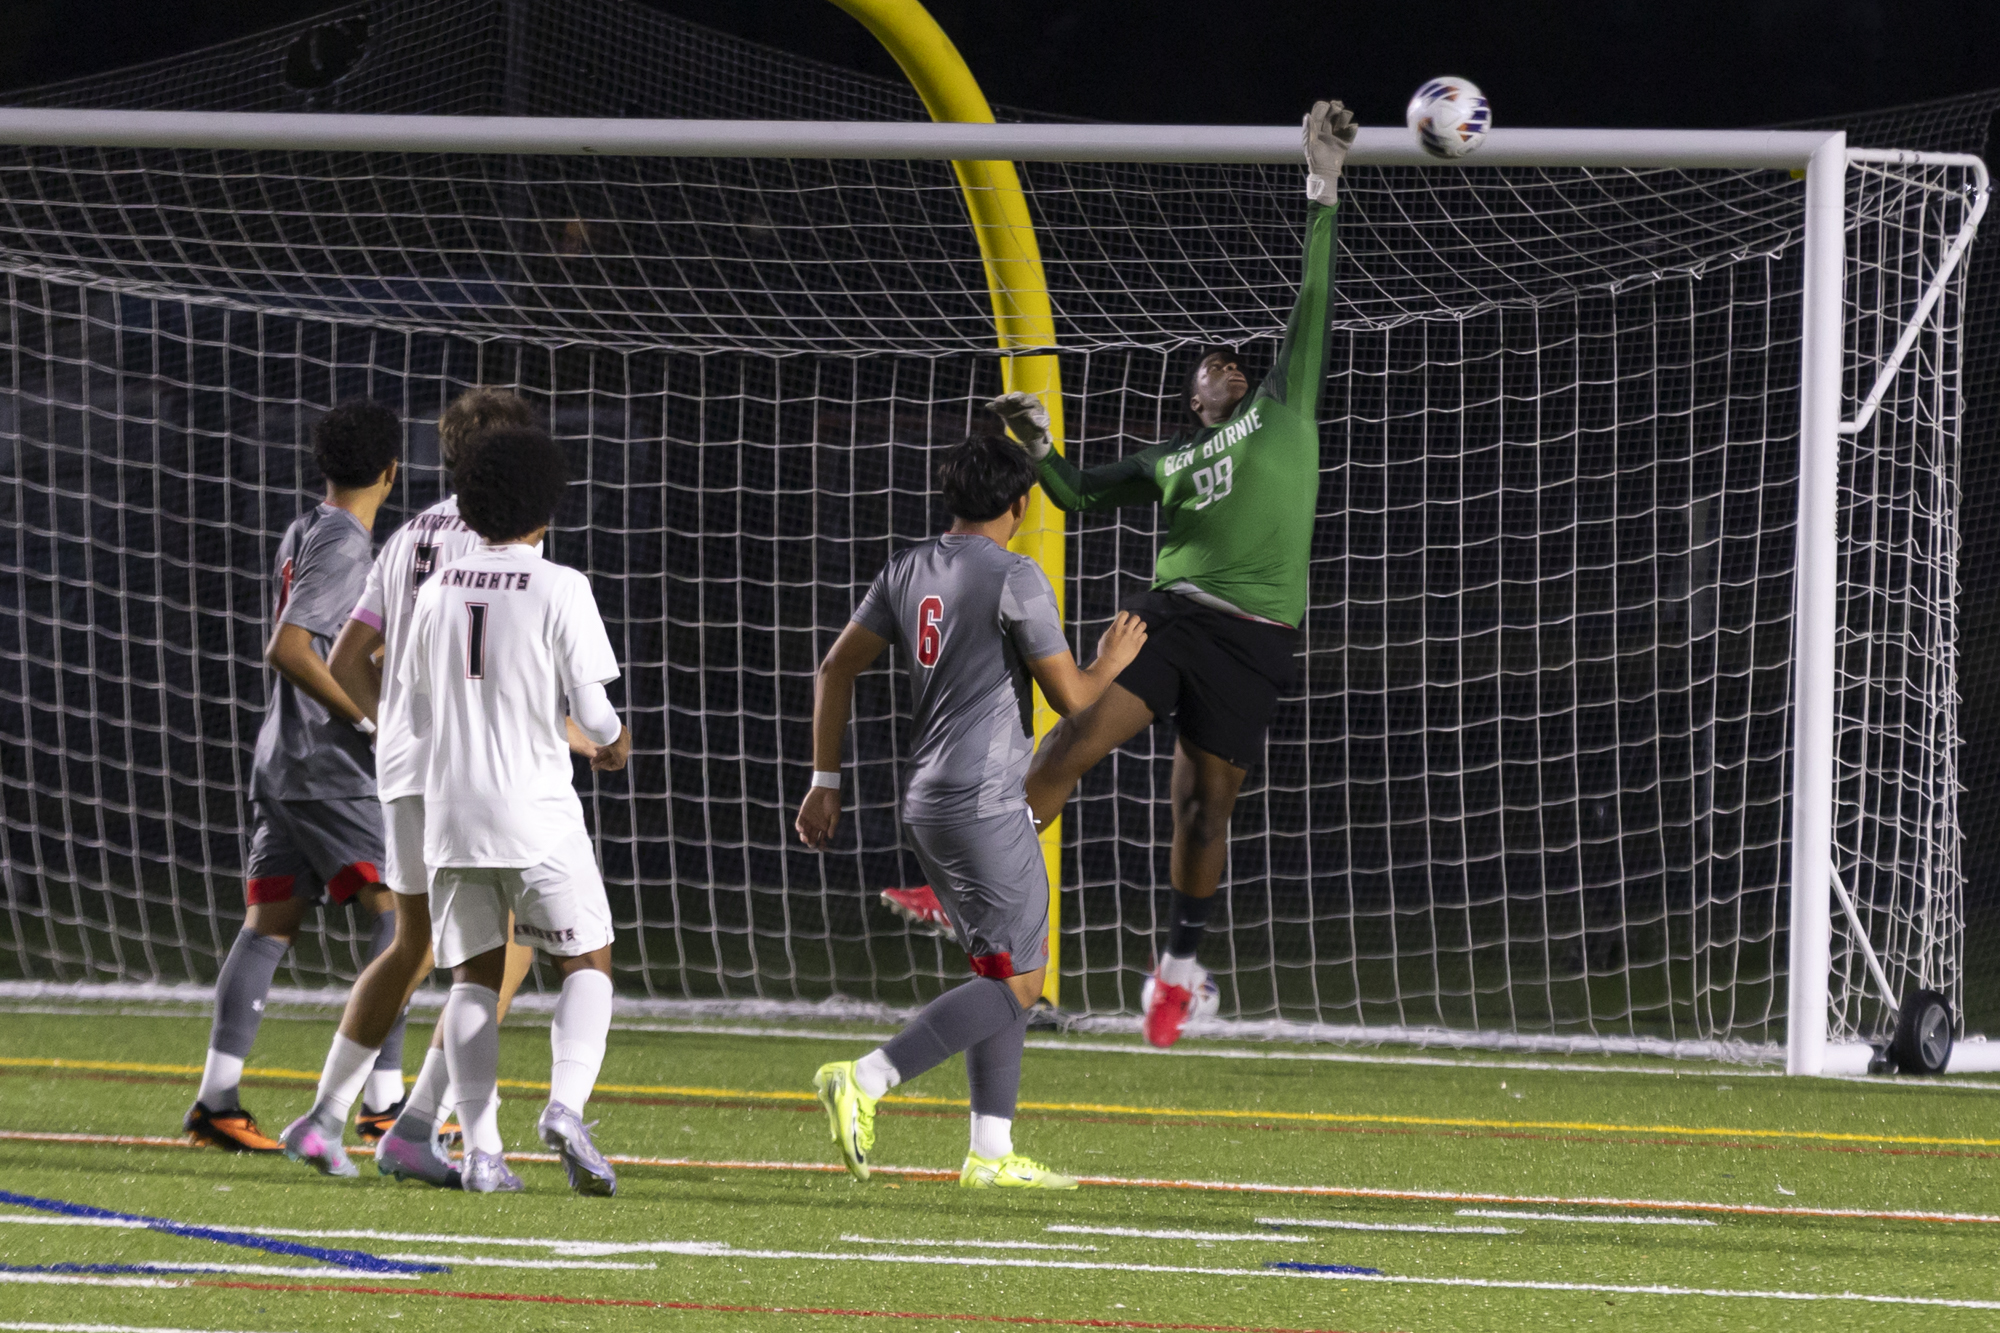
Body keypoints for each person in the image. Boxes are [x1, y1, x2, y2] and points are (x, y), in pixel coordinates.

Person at [986, 99, 1355, 1049]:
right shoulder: (1166, 459)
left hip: (1257, 638)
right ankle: (988, 919)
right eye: (1209, 367)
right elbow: (1068, 493)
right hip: (1172, 618)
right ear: (1191, 399)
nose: (1225, 366)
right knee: (1063, 751)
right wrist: (1031, 436)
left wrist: (1324, 183)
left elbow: (1312, 296)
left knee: (1201, 814)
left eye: (1235, 360)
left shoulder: (1286, 404)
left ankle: (1180, 971)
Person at [799, 434, 1147, 1190]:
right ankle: (867, 1075)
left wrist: (825, 778)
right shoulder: (1016, 575)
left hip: (927, 800)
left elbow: (835, 667)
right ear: (1020, 503)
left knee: (1000, 969)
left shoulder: (906, 567)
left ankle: (990, 1151)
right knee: (1021, 983)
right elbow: (1076, 701)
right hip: (988, 802)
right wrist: (1112, 661)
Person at [282, 387, 567, 1183]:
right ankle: (424, 1126)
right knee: (503, 949)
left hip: (405, 771)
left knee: (415, 943)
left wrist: (393, 729)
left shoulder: (408, 535)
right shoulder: (509, 541)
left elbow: (346, 660)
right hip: (482, 773)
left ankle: (326, 1115)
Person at [403, 424, 632, 1195]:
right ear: (547, 508)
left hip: (451, 814)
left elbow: (421, 708)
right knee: (587, 959)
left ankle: (482, 1153)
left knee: (471, 978)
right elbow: (594, 713)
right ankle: (564, 1108)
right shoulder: (560, 586)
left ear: (466, 508)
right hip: (535, 810)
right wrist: (610, 743)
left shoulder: (436, 592)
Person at [184, 401, 403, 1152]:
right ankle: (383, 1103)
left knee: (269, 925)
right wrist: (370, 717)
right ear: (390, 471)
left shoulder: (307, 528)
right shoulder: (346, 542)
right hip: (328, 769)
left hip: (282, 763)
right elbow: (291, 648)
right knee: (401, 918)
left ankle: (216, 1100)